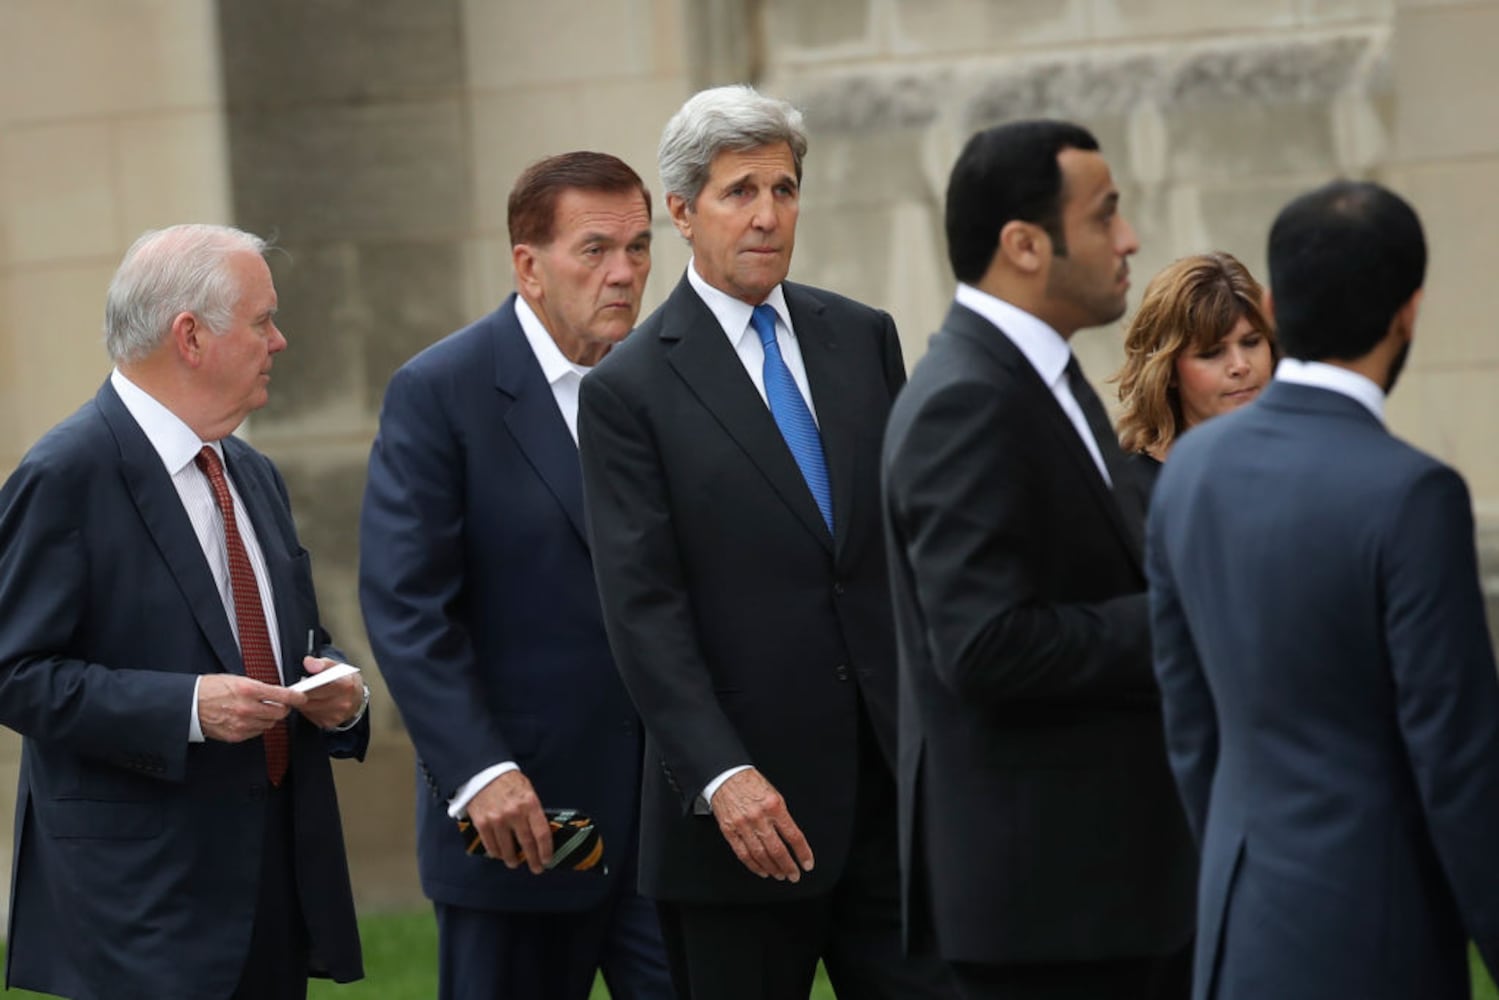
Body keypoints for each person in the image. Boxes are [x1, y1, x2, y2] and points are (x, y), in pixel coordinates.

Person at [576, 84, 954, 1000]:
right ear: (680, 211)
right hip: (743, 823)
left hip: (890, 803)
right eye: (739, 191)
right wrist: (721, 773)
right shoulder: (628, 390)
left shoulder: (861, 338)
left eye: (783, 190)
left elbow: (897, 552)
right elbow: (642, 610)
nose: (767, 216)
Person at [1147, 181, 1499, 999]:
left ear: (1272, 304)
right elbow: (1459, 765)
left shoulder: (1190, 471)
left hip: (1240, 933)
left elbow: (1190, 732)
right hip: (1376, 939)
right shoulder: (1414, 496)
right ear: (1407, 312)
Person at [0, 224, 369, 999]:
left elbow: (285, 638)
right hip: (142, 907)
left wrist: (336, 692)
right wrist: (186, 707)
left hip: (273, 882)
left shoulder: (250, 470)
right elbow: (16, 674)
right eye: (262, 320)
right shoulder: (66, 474)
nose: (281, 340)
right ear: (191, 337)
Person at [882, 119, 1196, 999]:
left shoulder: (1041, 378)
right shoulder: (967, 401)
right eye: (1104, 217)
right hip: (1048, 917)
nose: (1128, 239)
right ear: (1023, 245)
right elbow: (984, 645)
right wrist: (1182, 615)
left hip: (1107, 898)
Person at [359, 151, 672, 1000]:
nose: (624, 273)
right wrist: (479, 772)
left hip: (668, 825)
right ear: (527, 265)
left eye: (639, 248)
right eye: (595, 249)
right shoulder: (440, 391)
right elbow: (406, 607)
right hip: (523, 823)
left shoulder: (665, 384)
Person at [1112, 252, 1278, 499]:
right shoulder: (1129, 492)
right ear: (1168, 372)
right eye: (1212, 353)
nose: (1240, 366)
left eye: (1251, 342)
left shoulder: (1305, 457)